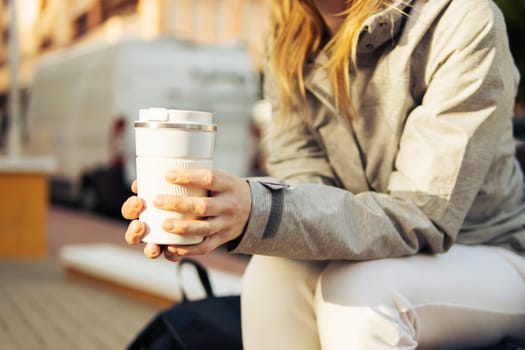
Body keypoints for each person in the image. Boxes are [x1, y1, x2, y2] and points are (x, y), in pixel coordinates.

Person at [121, 0, 525, 348]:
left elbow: (423, 216)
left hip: (489, 250)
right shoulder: (288, 36)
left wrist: (260, 211)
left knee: (360, 295)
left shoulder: (459, 18)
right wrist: (216, 217)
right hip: (373, 249)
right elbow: (306, 189)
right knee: (270, 273)